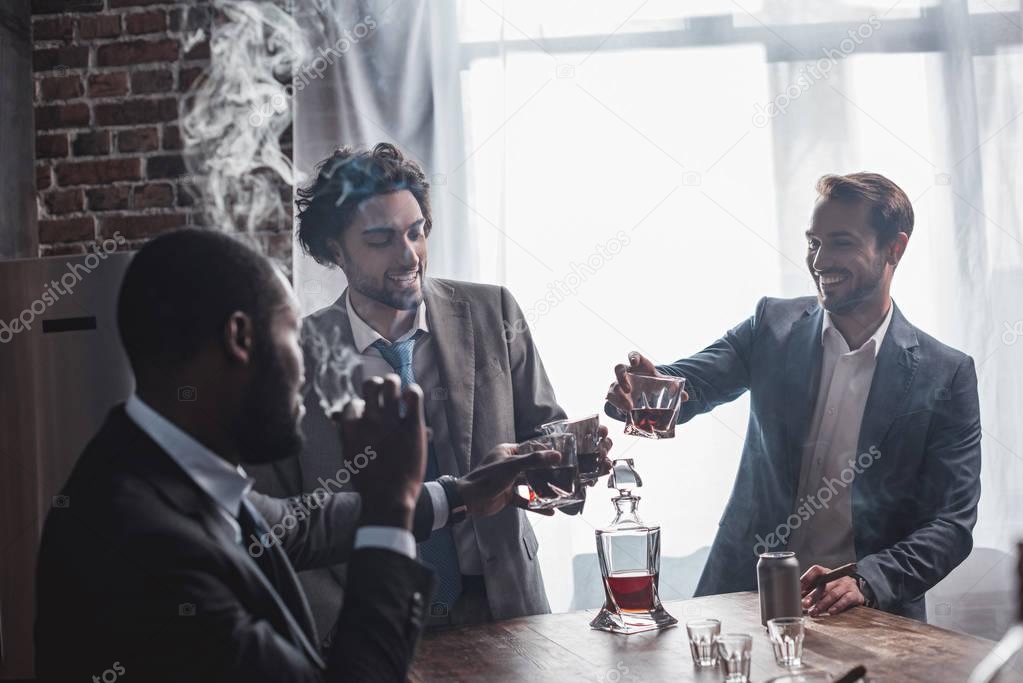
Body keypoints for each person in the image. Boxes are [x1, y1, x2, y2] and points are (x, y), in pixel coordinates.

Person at [34, 229, 562, 682]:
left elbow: (294, 527)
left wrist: (459, 493)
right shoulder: (148, 547)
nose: (306, 369)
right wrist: (390, 513)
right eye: (290, 337)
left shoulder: (155, 466)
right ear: (240, 338)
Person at [252, 142, 611, 630]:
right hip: (363, 620)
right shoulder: (290, 355)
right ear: (335, 250)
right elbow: (277, 518)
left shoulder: (494, 313)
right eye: (381, 240)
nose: (409, 255)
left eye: (416, 232)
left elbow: (543, 431)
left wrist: (567, 461)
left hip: (503, 604)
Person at [605, 173, 981, 620]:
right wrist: (643, 391)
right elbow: (691, 385)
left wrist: (867, 580)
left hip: (869, 614)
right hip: (743, 598)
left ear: (894, 250)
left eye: (840, 243)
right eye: (812, 242)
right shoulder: (771, 325)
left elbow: (950, 524)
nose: (819, 260)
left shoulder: (947, 374)